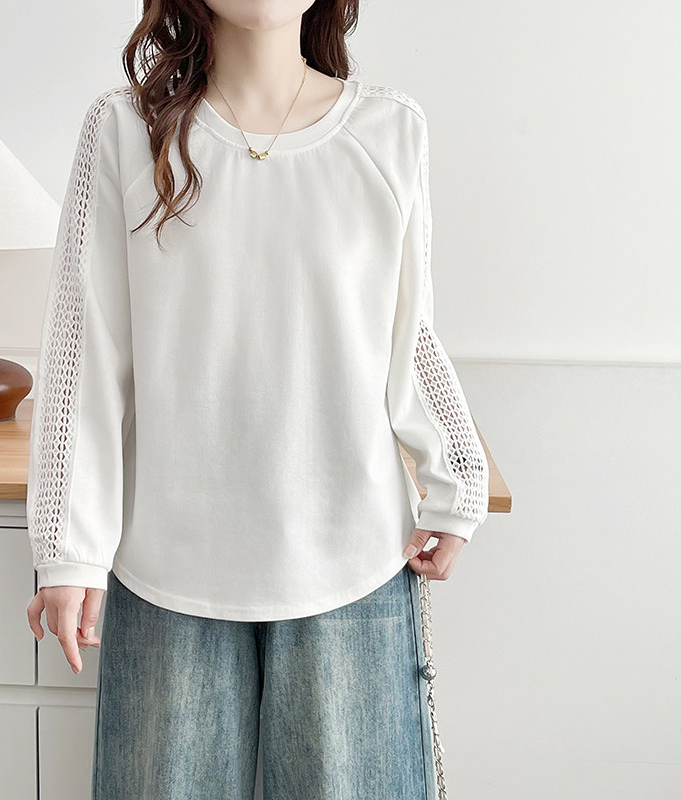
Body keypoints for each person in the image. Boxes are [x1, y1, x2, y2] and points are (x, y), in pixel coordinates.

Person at [25, 1, 489, 798]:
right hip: (169, 563)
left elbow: (405, 330)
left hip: (353, 556)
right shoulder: (124, 130)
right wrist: (68, 548)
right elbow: (83, 348)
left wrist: (458, 481)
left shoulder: (389, 129)